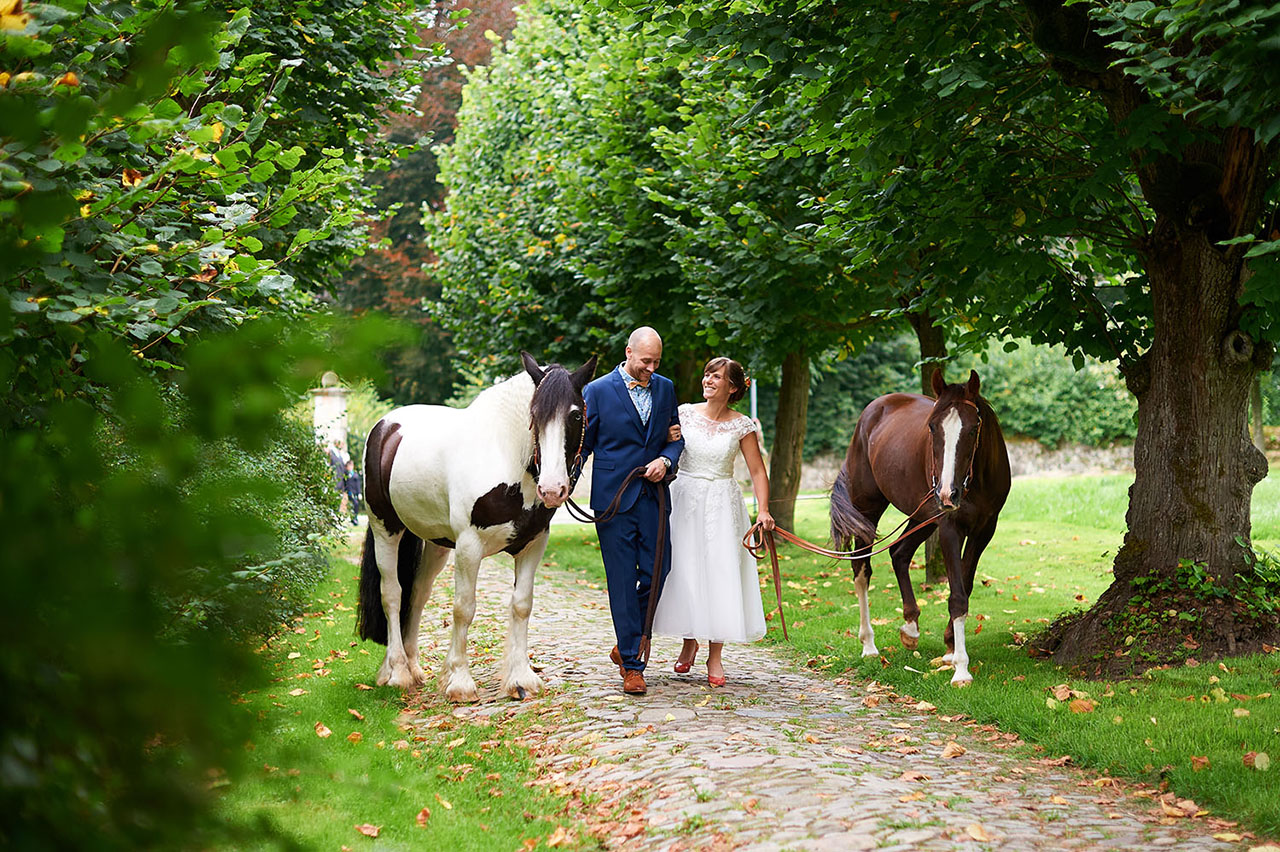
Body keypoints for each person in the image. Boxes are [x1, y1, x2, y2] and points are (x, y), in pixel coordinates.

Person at [652, 356, 774, 687]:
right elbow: (667, 448)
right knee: (685, 569)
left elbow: (758, 471)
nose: (708, 380)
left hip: (723, 502)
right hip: (684, 498)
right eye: (707, 374)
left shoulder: (742, 425)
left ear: (732, 387)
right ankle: (689, 639)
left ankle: (715, 655)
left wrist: (763, 509)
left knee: (720, 573)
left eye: (716, 376)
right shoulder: (684, 413)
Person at [580, 327, 685, 695]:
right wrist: (561, 484)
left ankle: (628, 638)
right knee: (623, 580)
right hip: (613, 499)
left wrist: (665, 460)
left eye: (656, 362)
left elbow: (676, 438)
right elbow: (584, 445)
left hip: (654, 496)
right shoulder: (595, 391)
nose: (650, 369)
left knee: (660, 570)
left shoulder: (665, 388)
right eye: (645, 361)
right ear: (628, 352)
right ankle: (633, 663)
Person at [342, 459, 363, 525]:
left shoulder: (355, 475)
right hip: (348, 492)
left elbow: (358, 485)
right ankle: (352, 518)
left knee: (356, 504)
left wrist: (359, 493)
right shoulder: (345, 474)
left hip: (355, 493)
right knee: (351, 505)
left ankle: (354, 518)